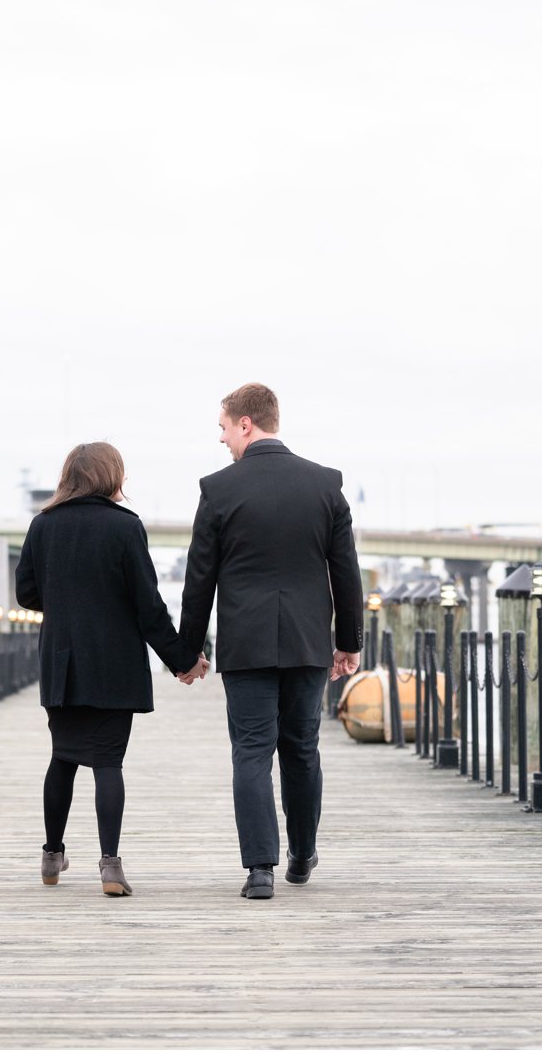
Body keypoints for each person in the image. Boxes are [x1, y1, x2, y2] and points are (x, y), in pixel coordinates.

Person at [176, 383, 363, 900]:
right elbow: (346, 573)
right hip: (307, 643)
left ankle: (260, 869)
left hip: (246, 644)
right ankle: (302, 854)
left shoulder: (218, 491)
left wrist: (187, 651)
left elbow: (199, 580)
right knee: (302, 748)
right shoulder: (326, 485)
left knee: (252, 751)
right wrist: (348, 641)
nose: (220, 439)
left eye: (222, 427)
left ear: (246, 424)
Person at [15, 441, 205, 897]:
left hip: (62, 664)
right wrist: (182, 659)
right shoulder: (124, 527)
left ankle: (51, 855)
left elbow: (26, 594)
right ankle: (110, 867)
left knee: (62, 758)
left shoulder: (44, 525)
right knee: (107, 763)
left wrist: (64, 603)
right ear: (111, 475)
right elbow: (147, 606)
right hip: (114, 665)